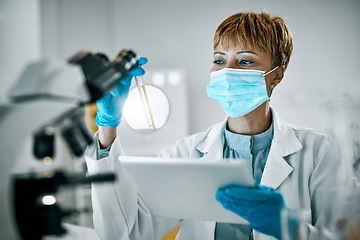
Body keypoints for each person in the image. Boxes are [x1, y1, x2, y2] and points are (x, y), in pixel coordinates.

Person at [85, 12, 356, 240]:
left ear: (278, 73)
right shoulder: (186, 155)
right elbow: (124, 233)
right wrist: (108, 128)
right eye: (219, 61)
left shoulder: (318, 152)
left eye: (245, 61)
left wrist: (290, 228)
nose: (227, 71)